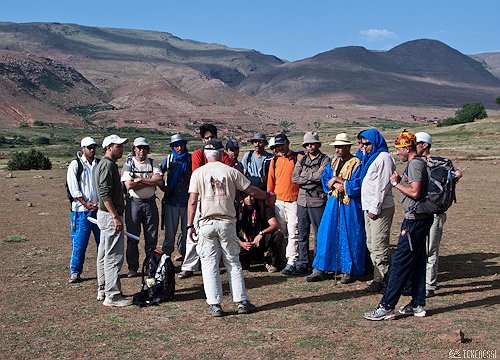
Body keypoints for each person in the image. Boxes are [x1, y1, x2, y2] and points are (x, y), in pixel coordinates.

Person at [186, 139, 276, 317]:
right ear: (221, 154)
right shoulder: (230, 171)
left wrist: (190, 225)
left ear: (205, 154)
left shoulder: (198, 173)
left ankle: (215, 304)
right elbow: (251, 190)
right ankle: (241, 302)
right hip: (227, 222)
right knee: (233, 262)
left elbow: (192, 201)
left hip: (206, 223)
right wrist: (267, 195)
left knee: (209, 264)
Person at [364, 130, 433, 320]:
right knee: (417, 262)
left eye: (399, 149)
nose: (397, 153)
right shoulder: (418, 164)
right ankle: (418, 304)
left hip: (414, 221)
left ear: (408, 148)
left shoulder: (415, 165)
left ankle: (386, 306)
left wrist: (395, 183)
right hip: (420, 218)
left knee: (399, 263)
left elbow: (415, 192)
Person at [306, 133, 365, 283]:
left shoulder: (357, 163)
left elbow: (358, 184)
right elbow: (326, 178)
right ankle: (322, 267)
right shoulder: (333, 162)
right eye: (336, 147)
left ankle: (349, 270)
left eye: (340, 147)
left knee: (350, 234)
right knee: (326, 233)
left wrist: (341, 182)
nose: (338, 150)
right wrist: (333, 184)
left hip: (350, 204)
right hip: (333, 201)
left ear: (347, 147)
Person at [178, 123, 231, 279]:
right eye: (206, 138)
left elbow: (227, 173)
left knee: (220, 230)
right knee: (193, 231)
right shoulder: (197, 154)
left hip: (220, 197)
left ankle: (220, 262)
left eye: (212, 137)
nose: (209, 140)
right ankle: (189, 266)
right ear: (202, 139)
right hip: (201, 196)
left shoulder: (224, 154)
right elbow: (198, 175)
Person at [415, 132, 462, 298]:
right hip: (428, 211)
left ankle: (428, 284)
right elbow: (456, 176)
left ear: (425, 145)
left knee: (429, 249)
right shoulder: (442, 163)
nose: (414, 146)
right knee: (426, 248)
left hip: (430, 211)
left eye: (417, 143)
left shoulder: (425, 164)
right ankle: (424, 283)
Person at [95, 134, 132, 307]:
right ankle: (113, 295)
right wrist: (115, 216)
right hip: (111, 215)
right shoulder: (107, 166)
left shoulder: (105, 164)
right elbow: (104, 193)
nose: (122, 149)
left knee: (104, 253)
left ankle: (104, 288)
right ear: (109, 147)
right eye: (118, 146)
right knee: (113, 255)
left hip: (106, 214)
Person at [357, 129, 396, 293]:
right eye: (362, 143)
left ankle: (384, 279)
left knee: (379, 244)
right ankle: (378, 277)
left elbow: (382, 185)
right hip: (369, 207)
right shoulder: (370, 158)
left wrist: (374, 208)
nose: (364, 147)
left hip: (380, 208)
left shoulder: (384, 158)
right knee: (371, 243)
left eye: (367, 143)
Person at [121, 137, 163, 278]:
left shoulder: (152, 162)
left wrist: (141, 180)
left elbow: (159, 180)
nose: (141, 150)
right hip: (134, 204)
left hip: (150, 203)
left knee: (152, 238)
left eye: (144, 148)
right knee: (133, 238)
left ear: (148, 149)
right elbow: (129, 185)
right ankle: (133, 268)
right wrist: (150, 181)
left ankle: (151, 266)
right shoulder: (129, 164)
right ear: (134, 149)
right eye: (139, 148)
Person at [291, 131, 330, 275]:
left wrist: (305, 177)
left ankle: (318, 264)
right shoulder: (301, 160)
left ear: (318, 144)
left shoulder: (325, 159)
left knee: (319, 233)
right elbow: (295, 178)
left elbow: (322, 176)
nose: (310, 146)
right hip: (302, 201)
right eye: (307, 144)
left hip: (317, 201)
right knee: (302, 233)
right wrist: (312, 177)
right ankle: (302, 262)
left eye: (312, 143)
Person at [267, 133, 303, 275]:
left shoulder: (297, 158)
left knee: (294, 231)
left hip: (293, 201)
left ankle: (291, 261)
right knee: (282, 232)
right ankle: (281, 258)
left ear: (287, 143)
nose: (280, 147)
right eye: (277, 145)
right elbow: (271, 181)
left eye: (282, 144)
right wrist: (270, 198)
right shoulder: (274, 160)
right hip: (278, 201)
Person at [67, 136, 100, 283]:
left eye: (93, 147)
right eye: (89, 147)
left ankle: (104, 270)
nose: (92, 150)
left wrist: (99, 203)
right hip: (81, 211)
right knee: (80, 243)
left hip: (98, 210)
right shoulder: (76, 165)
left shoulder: (99, 164)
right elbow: (73, 188)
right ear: (83, 148)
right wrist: (85, 203)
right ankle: (75, 271)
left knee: (103, 243)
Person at [160, 133, 192, 261]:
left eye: (181, 145)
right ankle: (166, 259)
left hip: (188, 201)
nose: (180, 148)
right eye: (176, 146)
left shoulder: (190, 159)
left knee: (187, 232)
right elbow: (158, 175)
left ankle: (186, 258)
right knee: (170, 233)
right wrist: (164, 188)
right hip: (171, 201)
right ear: (173, 147)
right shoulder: (168, 159)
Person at [238, 194, 286, 273]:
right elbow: (231, 231)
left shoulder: (262, 206)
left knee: (278, 235)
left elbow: (275, 225)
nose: (249, 199)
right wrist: (241, 243)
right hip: (245, 242)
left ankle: (271, 262)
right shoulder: (238, 209)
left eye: (252, 196)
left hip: (260, 240)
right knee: (243, 267)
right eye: (246, 196)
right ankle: (247, 260)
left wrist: (261, 233)